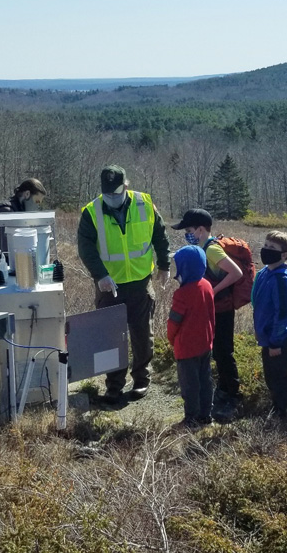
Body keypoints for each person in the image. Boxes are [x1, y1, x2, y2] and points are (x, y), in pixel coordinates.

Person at [77, 165, 170, 403]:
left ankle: (141, 380)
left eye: (116, 193)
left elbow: (159, 235)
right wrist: (100, 275)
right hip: (110, 286)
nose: (112, 198)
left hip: (140, 283)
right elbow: (86, 249)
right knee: (110, 337)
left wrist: (164, 265)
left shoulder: (144, 203)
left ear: (126, 187)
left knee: (142, 335)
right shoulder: (91, 212)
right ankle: (114, 385)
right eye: (108, 194)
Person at [172, 209, 244, 417]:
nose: (187, 234)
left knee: (224, 352)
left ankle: (232, 394)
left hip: (223, 309)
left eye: (189, 230)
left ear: (201, 229)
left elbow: (236, 273)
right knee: (217, 351)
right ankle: (223, 390)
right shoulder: (202, 248)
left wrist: (213, 291)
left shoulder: (211, 250)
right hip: (215, 309)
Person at [252, 231, 287, 422]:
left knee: (280, 377)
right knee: (271, 376)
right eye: (266, 245)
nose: (266, 250)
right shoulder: (265, 272)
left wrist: (275, 342)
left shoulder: (281, 279)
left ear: (284, 255)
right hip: (269, 336)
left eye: (272, 248)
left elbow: (282, 314)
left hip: (281, 337)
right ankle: (278, 409)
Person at [167, 245, 216, 429]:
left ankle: (191, 420)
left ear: (185, 268)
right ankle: (205, 417)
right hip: (205, 344)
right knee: (205, 381)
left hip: (186, 349)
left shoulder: (182, 294)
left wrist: (171, 339)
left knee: (190, 386)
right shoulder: (207, 285)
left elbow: (173, 323)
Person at [0, 178, 47, 277]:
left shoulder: (17, 210)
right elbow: (6, 248)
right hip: (3, 269)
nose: (37, 206)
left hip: (14, 267)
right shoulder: (6, 210)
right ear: (27, 194)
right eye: (37, 201)